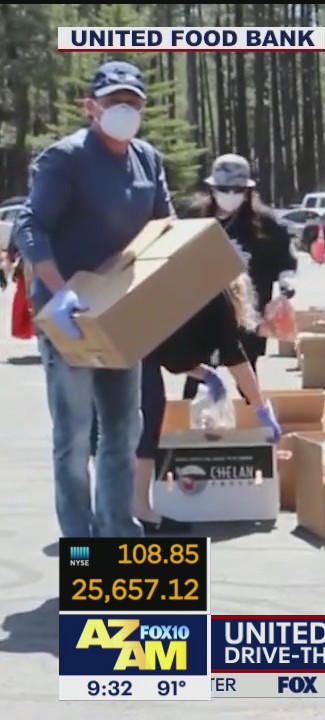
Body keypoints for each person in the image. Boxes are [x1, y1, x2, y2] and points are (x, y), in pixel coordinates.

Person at [12, 60, 171, 538]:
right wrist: (60, 293)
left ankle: (118, 533)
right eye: (114, 101)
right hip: (69, 316)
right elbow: (29, 224)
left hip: (121, 317)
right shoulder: (66, 159)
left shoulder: (147, 159)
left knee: (124, 431)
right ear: (91, 107)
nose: (124, 109)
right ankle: (79, 540)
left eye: (133, 102)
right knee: (75, 434)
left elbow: (164, 228)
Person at [134, 276, 282, 534]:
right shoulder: (220, 303)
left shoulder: (199, 295)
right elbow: (236, 359)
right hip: (137, 351)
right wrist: (260, 409)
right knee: (146, 428)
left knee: (131, 430)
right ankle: (139, 510)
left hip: (137, 345)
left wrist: (205, 375)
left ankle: (123, 507)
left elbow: (175, 352)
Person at [181, 154, 296, 399]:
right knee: (198, 374)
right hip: (201, 312)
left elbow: (285, 261)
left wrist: (285, 289)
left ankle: (253, 418)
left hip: (247, 314)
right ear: (212, 188)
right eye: (224, 189)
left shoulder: (266, 223)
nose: (230, 195)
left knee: (247, 371)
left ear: (248, 190)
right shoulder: (194, 217)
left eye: (237, 190)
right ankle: (191, 424)